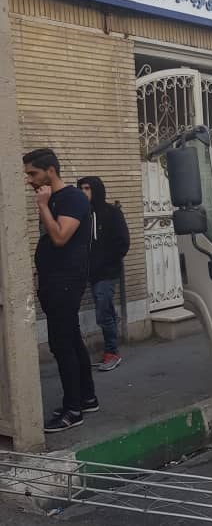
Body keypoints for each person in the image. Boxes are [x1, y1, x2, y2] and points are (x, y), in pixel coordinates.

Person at [23, 148, 97, 433]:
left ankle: (72, 410)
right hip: (54, 279)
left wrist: (42, 206)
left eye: (33, 173)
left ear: (50, 171)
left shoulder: (72, 198)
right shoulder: (54, 198)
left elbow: (60, 237)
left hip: (65, 281)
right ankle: (87, 398)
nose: (29, 179)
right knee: (72, 339)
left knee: (61, 343)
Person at [77, 176, 130, 372]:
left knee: (102, 313)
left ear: (96, 190)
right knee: (106, 310)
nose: (84, 192)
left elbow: (123, 242)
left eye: (87, 188)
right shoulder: (83, 215)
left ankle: (112, 352)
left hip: (107, 273)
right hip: (90, 273)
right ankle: (111, 338)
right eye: (81, 189)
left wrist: (106, 262)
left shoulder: (112, 213)